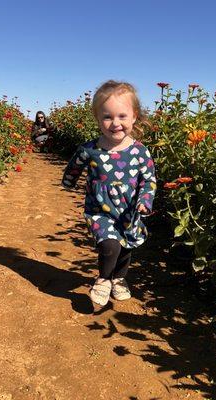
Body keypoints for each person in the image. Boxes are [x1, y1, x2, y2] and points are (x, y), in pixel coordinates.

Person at [62, 80, 156, 306]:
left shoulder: (140, 151)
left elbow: (149, 179)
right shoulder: (91, 149)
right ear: (98, 119)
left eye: (122, 116)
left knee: (126, 245)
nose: (115, 123)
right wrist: (69, 181)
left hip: (129, 211)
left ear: (134, 116)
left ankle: (120, 278)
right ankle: (104, 279)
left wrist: (145, 200)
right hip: (99, 210)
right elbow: (75, 165)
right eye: (107, 117)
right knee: (109, 245)